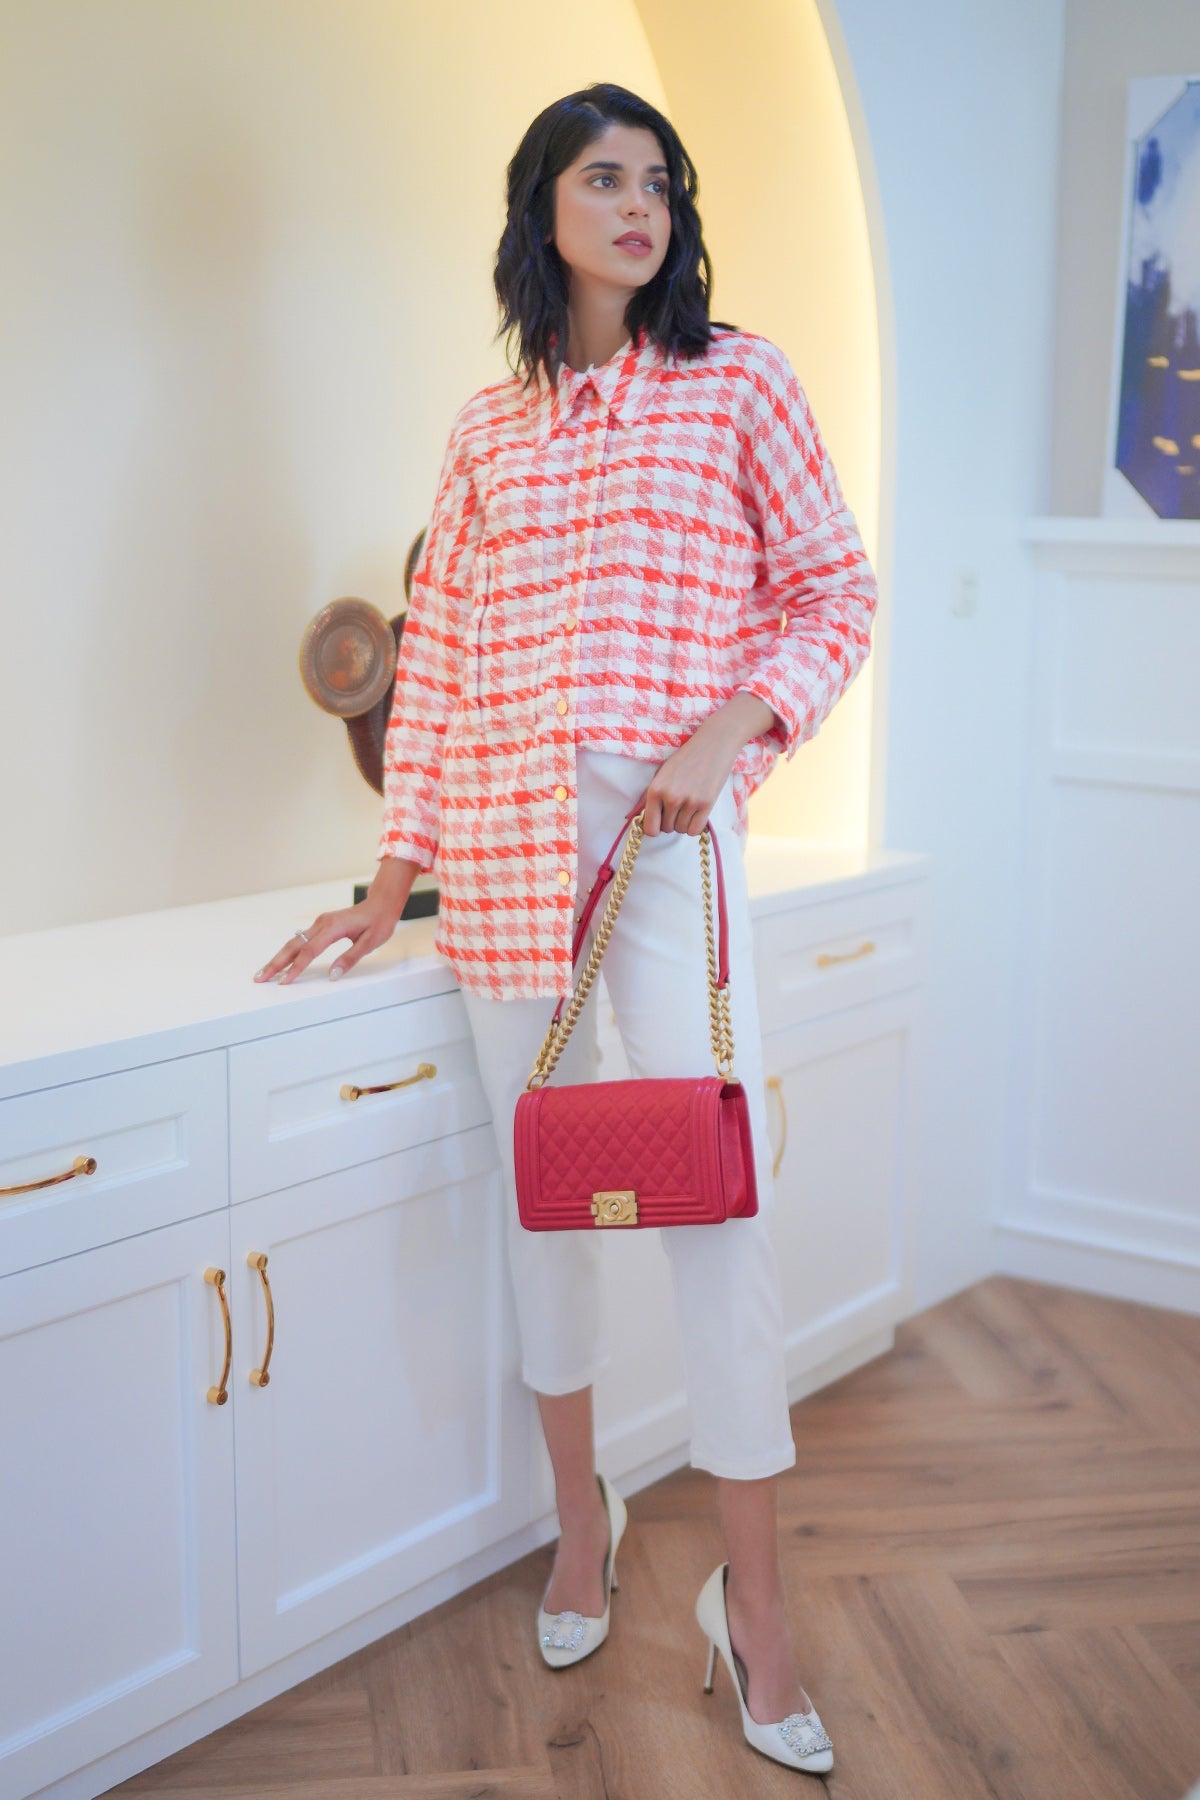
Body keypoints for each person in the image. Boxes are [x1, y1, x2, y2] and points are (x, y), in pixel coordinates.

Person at [254, 81, 877, 1777]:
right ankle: (581, 1526)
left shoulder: (738, 382)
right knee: (553, 1204)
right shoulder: (488, 430)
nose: (639, 205)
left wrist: (729, 729)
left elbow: (836, 589)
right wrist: (389, 880)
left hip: (668, 850)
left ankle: (756, 1611)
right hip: (507, 852)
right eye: (604, 179)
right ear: (544, 209)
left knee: (717, 1214)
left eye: (659, 181)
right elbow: (440, 667)